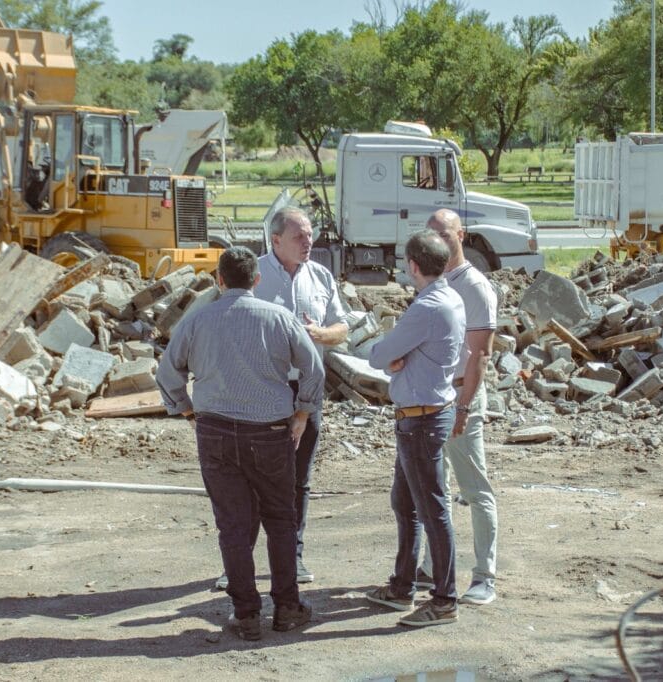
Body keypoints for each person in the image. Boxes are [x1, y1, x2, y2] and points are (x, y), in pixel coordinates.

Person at [156, 246, 324, 641]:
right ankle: (286, 608)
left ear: (219, 279)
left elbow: (168, 370)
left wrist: (187, 409)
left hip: (215, 431)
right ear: (257, 280)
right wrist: (302, 412)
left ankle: (246, 613)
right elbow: (314, 368)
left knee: (232, 525)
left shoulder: (198, 320)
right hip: (269, 432)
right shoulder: (279, 318)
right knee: (280, 520)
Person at [207, 206, 346, 591]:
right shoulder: (252, 276)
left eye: (310, 234)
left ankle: (294, 557)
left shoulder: (320, 276)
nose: (309, 241)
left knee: (298, 480)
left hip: (306, 390)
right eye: (300, 235)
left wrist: (318, 335)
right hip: (258, 393)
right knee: (248, 482)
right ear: (276, 240)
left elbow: (342, 327)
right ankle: (238, 564)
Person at [365, 231, 465, 627]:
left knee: (431, 510)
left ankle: (443, 600)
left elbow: (378, 355)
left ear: (413, 266)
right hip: (425, 415)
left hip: (420, 420)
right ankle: (403, 585)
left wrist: (393, 357)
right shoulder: (449, 298)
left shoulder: (425, 308)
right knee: (407, 504)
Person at [419, 208, 499, 606]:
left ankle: (484, 576)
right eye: (431, 233)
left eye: (444, 233)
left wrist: (464, 408)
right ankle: (433, 568)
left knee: (474, 487)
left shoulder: (475, 287)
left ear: (461, 235)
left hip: (459, 399)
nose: (437, 239)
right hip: (435, 397)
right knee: (436, 486)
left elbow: (480, 355)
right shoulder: (434, 282)